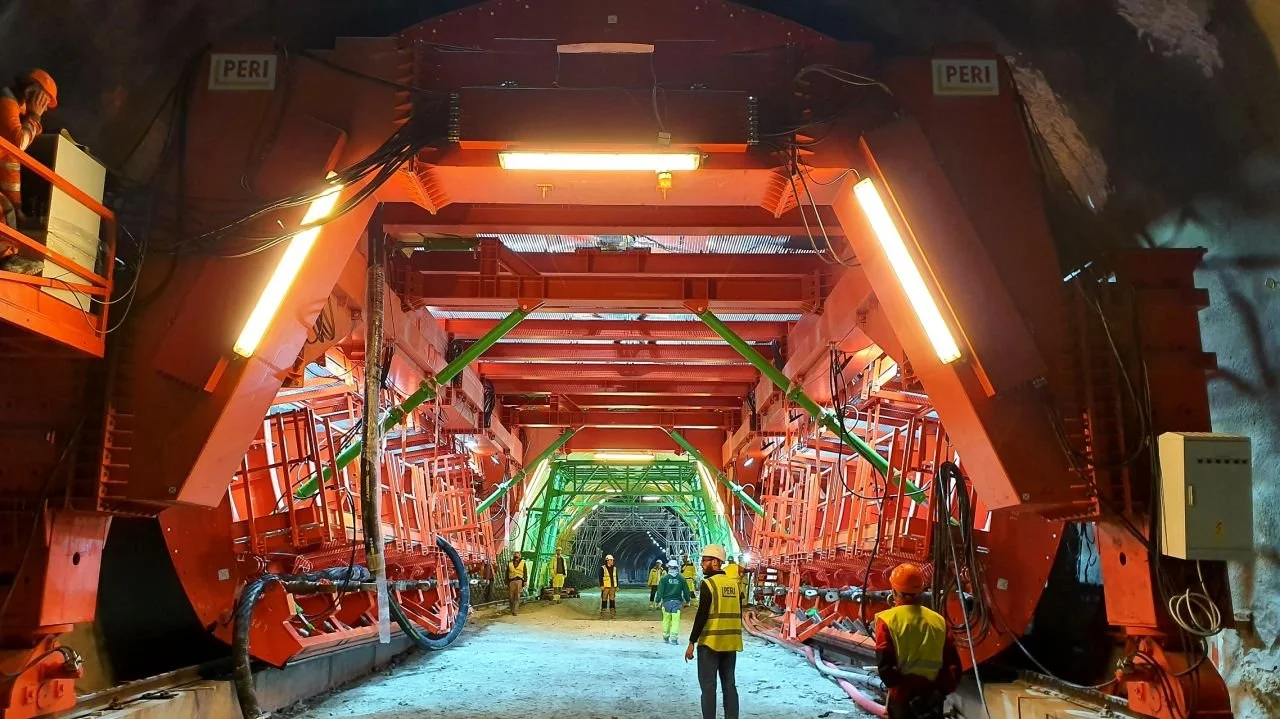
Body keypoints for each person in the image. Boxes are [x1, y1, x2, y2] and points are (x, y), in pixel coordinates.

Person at [875, 563, 962, 719]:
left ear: (894, 592)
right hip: (932, 695)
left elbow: (885, 665)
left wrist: (898, 686)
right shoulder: (939, 621)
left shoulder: (888, 620)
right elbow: (953, 664)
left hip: (902, 696)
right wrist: (940, 691)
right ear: (921, 591)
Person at [0, 69, 56, 274]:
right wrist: (34, 117)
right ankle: (7, 259)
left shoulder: (14, 109)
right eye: (43, 101)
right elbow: (18, 143)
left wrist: (16, 205)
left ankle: (9, 259)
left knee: (6, 209)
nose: (44, 109)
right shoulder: (6, 102)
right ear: (31, 91)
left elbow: (10, 164)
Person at [685, 544, 741, 719]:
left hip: (711, 643)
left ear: (716, 563)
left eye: (705, 561)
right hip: (731, 643)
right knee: (729, 686)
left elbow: (702, 615)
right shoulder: (734, 585)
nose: (701, 564)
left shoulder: (708, 584)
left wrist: (691, 642)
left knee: (708, 688)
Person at [655, 559, 691, 644]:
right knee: (675, 620)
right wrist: (688, 600)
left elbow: (660, 591)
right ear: (677, 568)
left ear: (669, 568)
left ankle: (665, 636)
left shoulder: (664, 579)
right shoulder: (681, 579)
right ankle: (674, 638)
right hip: (677, 603)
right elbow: (686, 591)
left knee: (666, 619)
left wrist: (657, 601)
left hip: (666, 602)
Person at [505, 551, 527, 616]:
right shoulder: (510, 563)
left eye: (517, 555)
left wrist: (525, 580)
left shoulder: (523, 562)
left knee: (517, 596)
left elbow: (525, 572)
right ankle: (512, 609)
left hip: (519, 580)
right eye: (515, 555)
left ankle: (515, 611)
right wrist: (506, 582)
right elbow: (507, 573)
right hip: (511, 581)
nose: (516, 556)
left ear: (520, 556)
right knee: (511, 597)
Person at [600, 554, 619, 619]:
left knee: (612, 599)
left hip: (612, 587)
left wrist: (617, 586)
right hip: (605, 587)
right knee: (604, 599)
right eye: (611, 560)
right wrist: (601, 585)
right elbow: (600, 577)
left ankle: (612, 613)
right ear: (607, 561)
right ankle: (603, 612)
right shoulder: (603, 568)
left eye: (612, 560)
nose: (612, 561)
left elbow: (616, 577)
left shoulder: (614, 568)